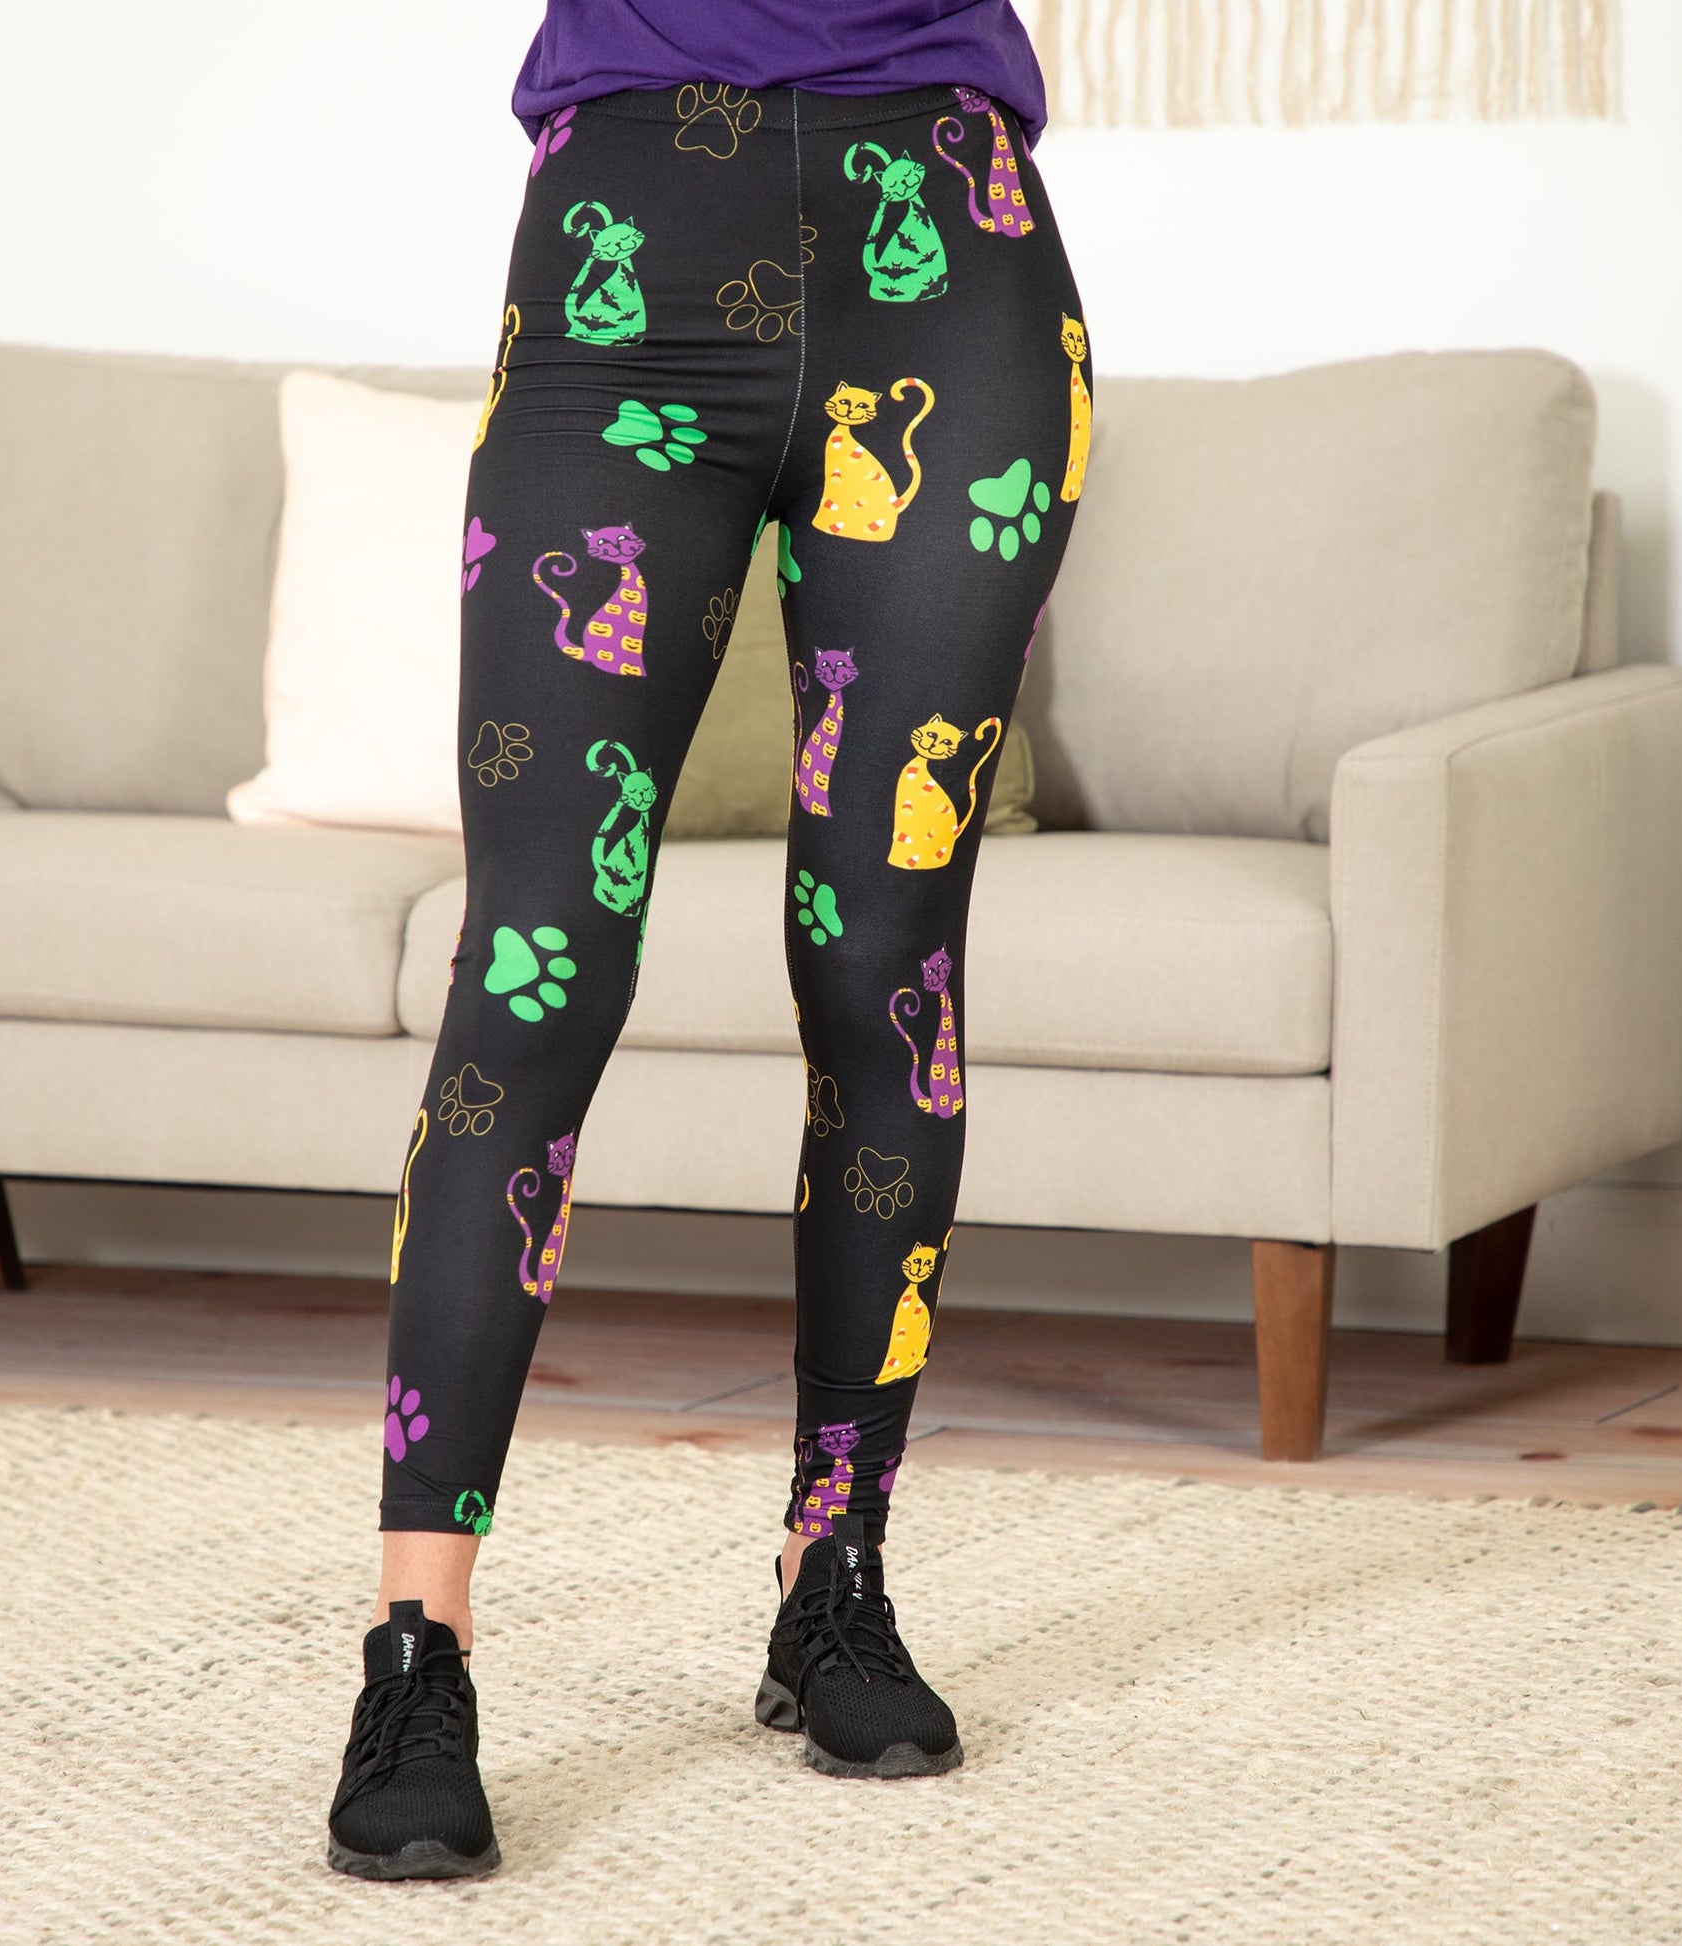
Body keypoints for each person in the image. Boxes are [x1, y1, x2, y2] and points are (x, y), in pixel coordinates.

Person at [326, 0, 1091, 1880]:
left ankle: (836, 1575)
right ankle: (417, 1646)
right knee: (538, 964)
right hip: (630, 235)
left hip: (955, 250)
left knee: (884, 965)